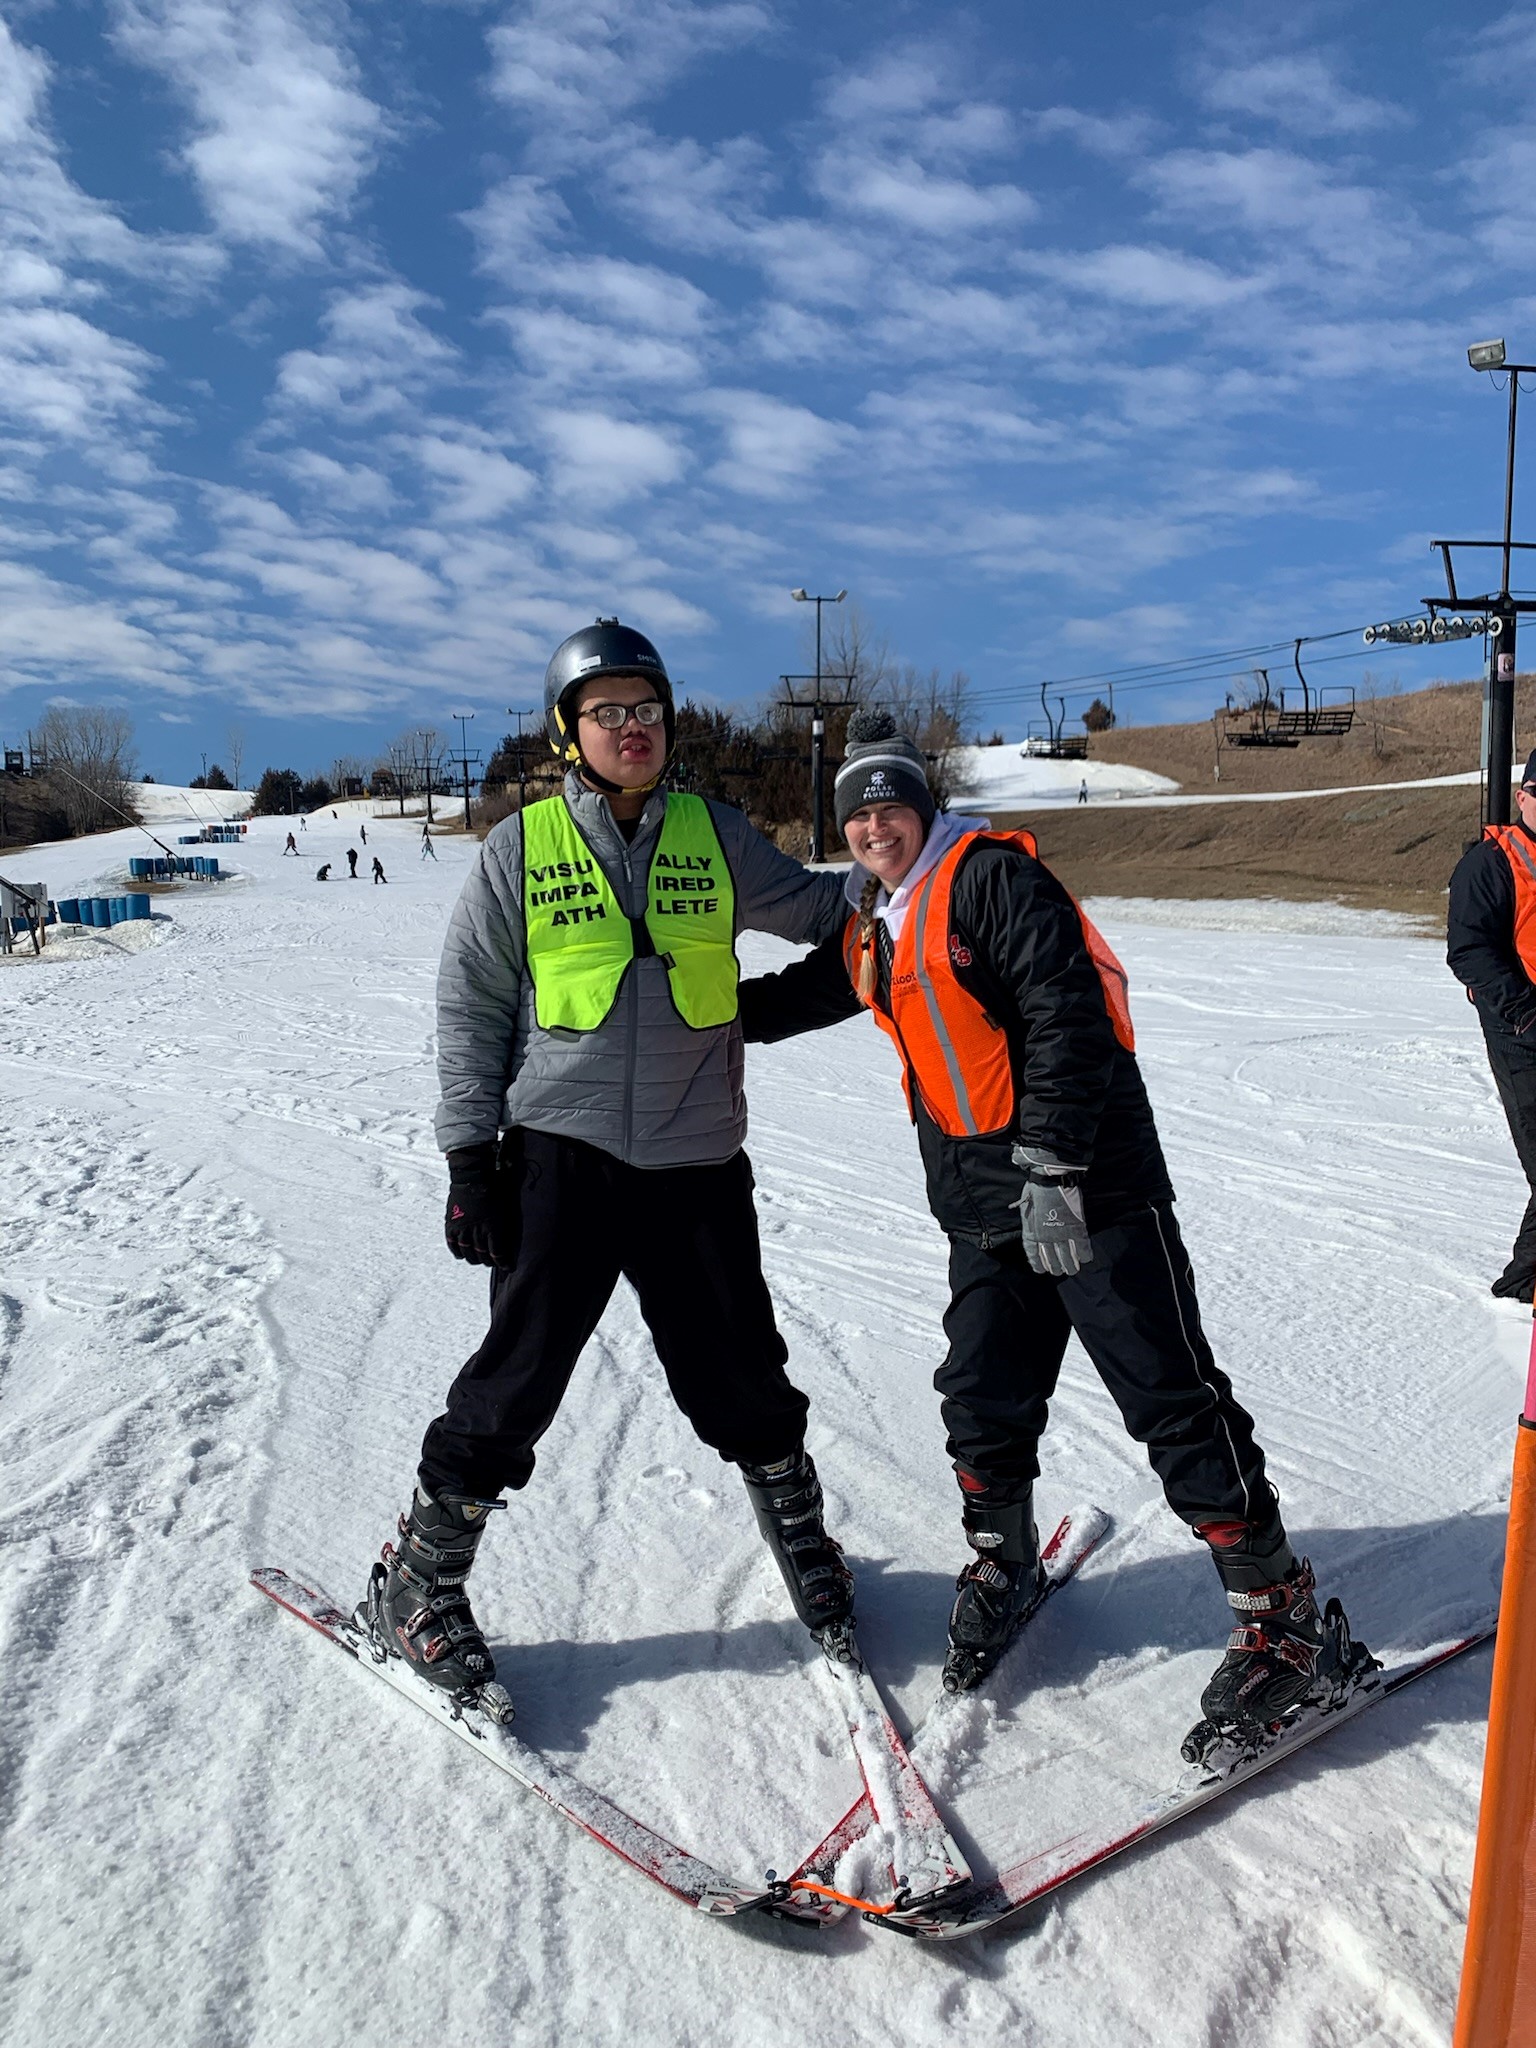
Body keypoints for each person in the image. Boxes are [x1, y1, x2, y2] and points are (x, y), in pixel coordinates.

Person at [737, 709, 1372, 1754]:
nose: (873, 824)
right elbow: (809, 994)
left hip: (1092, 1185)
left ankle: (1284, 1615)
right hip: (984, 1208)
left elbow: (1065, 1013)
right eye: (856, 812)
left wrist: (1055, 1167)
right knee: (982, 1389)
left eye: (890, 802)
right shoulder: (873, 921)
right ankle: (1005, 1554)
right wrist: (700, 1016)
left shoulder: (990, 879)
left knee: (1167, 1391)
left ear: (923, 805)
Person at [356, 618, 858, 1707]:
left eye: (648, 709)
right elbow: (473, 1006)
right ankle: (420, 1580)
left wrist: (932, 867)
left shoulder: (716, 834)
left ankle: (803, 1534)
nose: (632, 728)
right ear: (568, 731)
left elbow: (827, 909)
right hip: (559, 1157)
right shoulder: (520, 848)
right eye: (607, 712)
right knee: (515, 1379)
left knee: (744, 1374)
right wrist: (465, 1157)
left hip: (695, 1159)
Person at [1447, 747, 1536, 1300]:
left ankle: (1520, 1281)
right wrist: (1525, 1015)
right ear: (1524, 797)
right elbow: (1470, 951)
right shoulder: (1490, 862)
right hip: (1521, 1034)